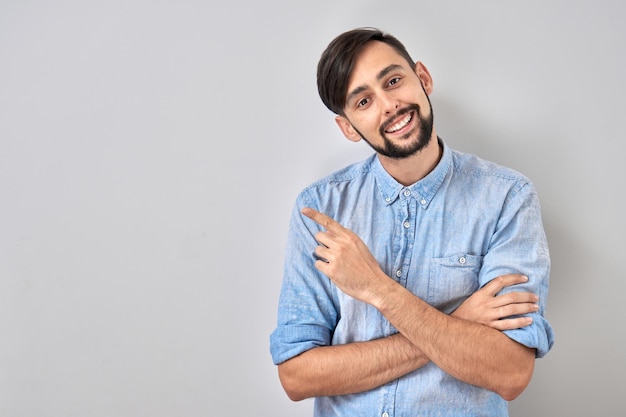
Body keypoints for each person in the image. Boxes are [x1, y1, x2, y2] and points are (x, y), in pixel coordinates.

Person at [270, 27, 554, 416]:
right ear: (348, 127)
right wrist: (457, 322)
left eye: (394, 80)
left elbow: (509, 372)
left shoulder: (507, 197)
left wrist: (377, 289)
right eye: (364, 101)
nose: (388, 105)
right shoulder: (320, 209)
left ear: (423, 78)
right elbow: (298, 377)